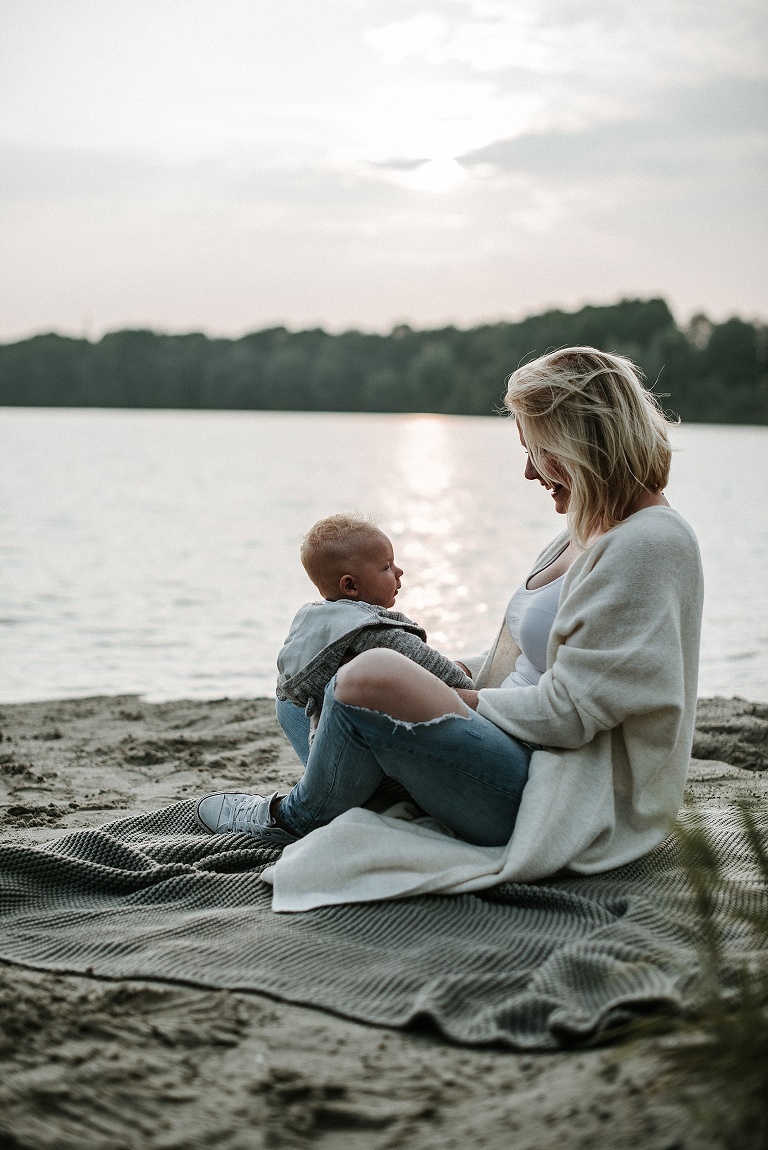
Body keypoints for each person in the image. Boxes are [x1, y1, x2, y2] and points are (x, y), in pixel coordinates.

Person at [196, 347, 703, 896]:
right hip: (511, 743)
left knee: (369, 674)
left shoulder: (651, 544)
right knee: (305, 690)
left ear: (582, 442)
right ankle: (371, 777)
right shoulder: (589, 528)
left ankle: (295, 815)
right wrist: (453, 674)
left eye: (538, 450)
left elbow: (573, 712)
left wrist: (453, 698)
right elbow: (527, 660)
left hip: (552, 786)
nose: (529, 471)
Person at [275, 514, 472, 754]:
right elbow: (441, 672)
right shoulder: (370, 630)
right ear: (350, 586)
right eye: (387, 566)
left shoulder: (317, 621)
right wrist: (472, 686)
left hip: (325, 739)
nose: (399, 571)